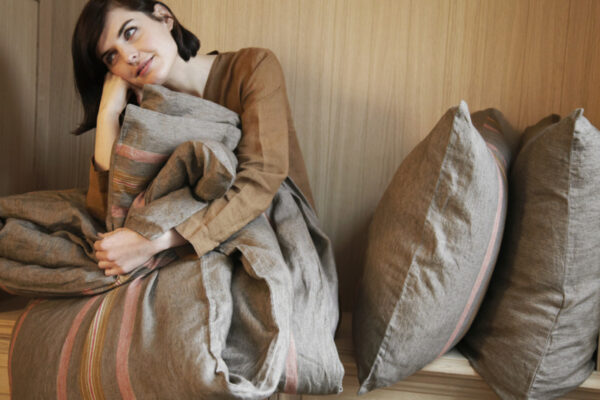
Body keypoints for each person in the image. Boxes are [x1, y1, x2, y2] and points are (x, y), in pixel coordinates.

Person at [72, 0, 315, 277]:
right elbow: (107, 211)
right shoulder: (143, 111)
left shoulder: (252, 67)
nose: (128, 57)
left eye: (130, 32)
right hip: (183, 252)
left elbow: (261, 177)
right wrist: (108, 113)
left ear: (164, 17)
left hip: (272, 232)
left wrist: (154, 241)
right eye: (111, 57)